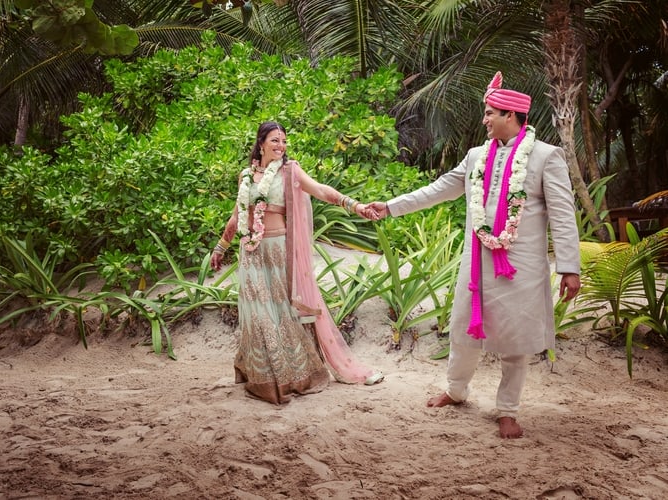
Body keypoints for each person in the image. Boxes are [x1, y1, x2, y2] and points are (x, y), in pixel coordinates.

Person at [367, 72, 581, 438]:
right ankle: (456, 390)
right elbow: (438, 190)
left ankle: (508, 410)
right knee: (464, 330)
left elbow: (563, 214)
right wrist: (390, 207)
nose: (484, 120)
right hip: (477, 263)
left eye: (490, 113)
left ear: (511, 116)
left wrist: (569, 268)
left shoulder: (546, 157)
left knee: (516, 341)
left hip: (522, 267)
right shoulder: (474, 157)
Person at [210, 121, 384, 405]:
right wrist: (221, 247)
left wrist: (356, 206)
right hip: (251, 254)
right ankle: (262, 377)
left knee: (279, 313)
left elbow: (322, 191)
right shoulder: (245, 176)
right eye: (275, 141)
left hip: (278, 251)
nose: (281, 146)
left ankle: (292, 376)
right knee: (257, 314)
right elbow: (237, 214)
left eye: (284, 141)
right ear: (261, 142)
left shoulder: (290, 171)